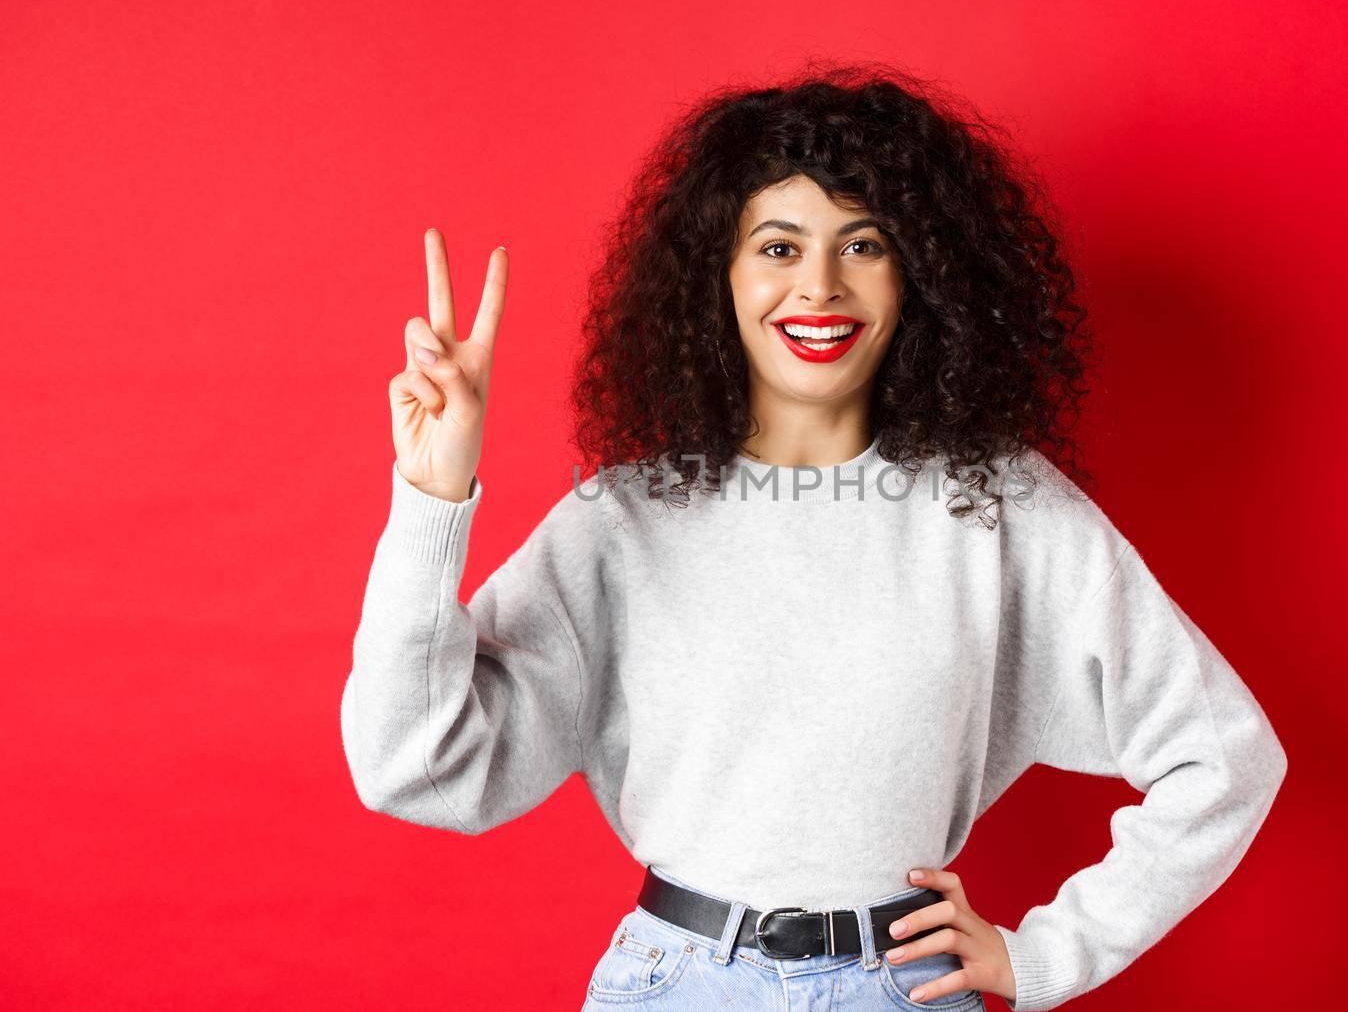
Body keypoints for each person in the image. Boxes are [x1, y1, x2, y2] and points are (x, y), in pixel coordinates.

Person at [341, 63, 1288, 1012]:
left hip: (904, 987)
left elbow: (1225, 756)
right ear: (720, 273)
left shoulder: (993, 507)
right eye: (779, 247)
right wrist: (432, 493)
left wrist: (1045, 954)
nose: (821, 287)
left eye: (863, 243)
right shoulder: (621, 524)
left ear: (920, 271)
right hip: (675, 987)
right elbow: (416, 769)